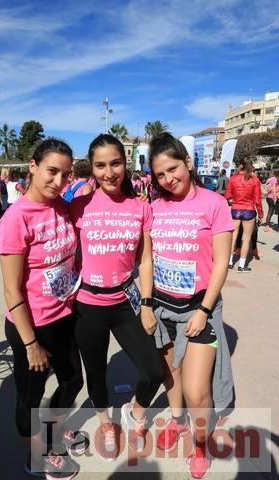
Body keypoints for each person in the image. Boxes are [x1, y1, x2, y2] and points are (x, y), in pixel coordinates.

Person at [0, 138, 86, 479]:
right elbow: (10, 288)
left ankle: (56, 428)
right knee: (30, 400)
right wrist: (31, 343)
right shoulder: (16, 218)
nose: (58, 181)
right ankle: (36, 456)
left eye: (65, 175)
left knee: (73, 381)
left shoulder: (61, 205)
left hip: (64, 317)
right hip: (31, 326)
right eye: (51, 171)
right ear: (32, 167)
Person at [69, 134, 163, 460]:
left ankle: (134, 412)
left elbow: (146, 259)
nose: (109, 172)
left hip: (126, 302)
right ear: (91, 168)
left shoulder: (141, 208)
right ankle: (106, 423)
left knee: (154, 372)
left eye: (115, 163)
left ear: (125, 163)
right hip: (87, 307)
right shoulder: (77, 207)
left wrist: (148, 304)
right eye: (100, 165)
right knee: (95, 375)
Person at [149, 133, 234, 479]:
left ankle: (201, 442)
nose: (169, 179)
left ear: (187, 161)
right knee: (173, 378)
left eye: (173, 169)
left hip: (200, 309)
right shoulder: (154, 208)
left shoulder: (214, 203)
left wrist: (203, 310)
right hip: (162, 306)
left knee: (198, 391)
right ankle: (177, 420)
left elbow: (221, 262)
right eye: (160, 175)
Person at [225, 158, 263, 272]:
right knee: (246, 239)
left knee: (233, 237)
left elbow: (227, 196)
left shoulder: (233, 179)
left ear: (240, 165)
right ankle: (242, 265)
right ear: (251, 166)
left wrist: (233, 201)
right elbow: (257, 200)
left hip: (235, 210)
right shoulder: (254, 180)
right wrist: (261, 214)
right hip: (249, 210)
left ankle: (230, 263)